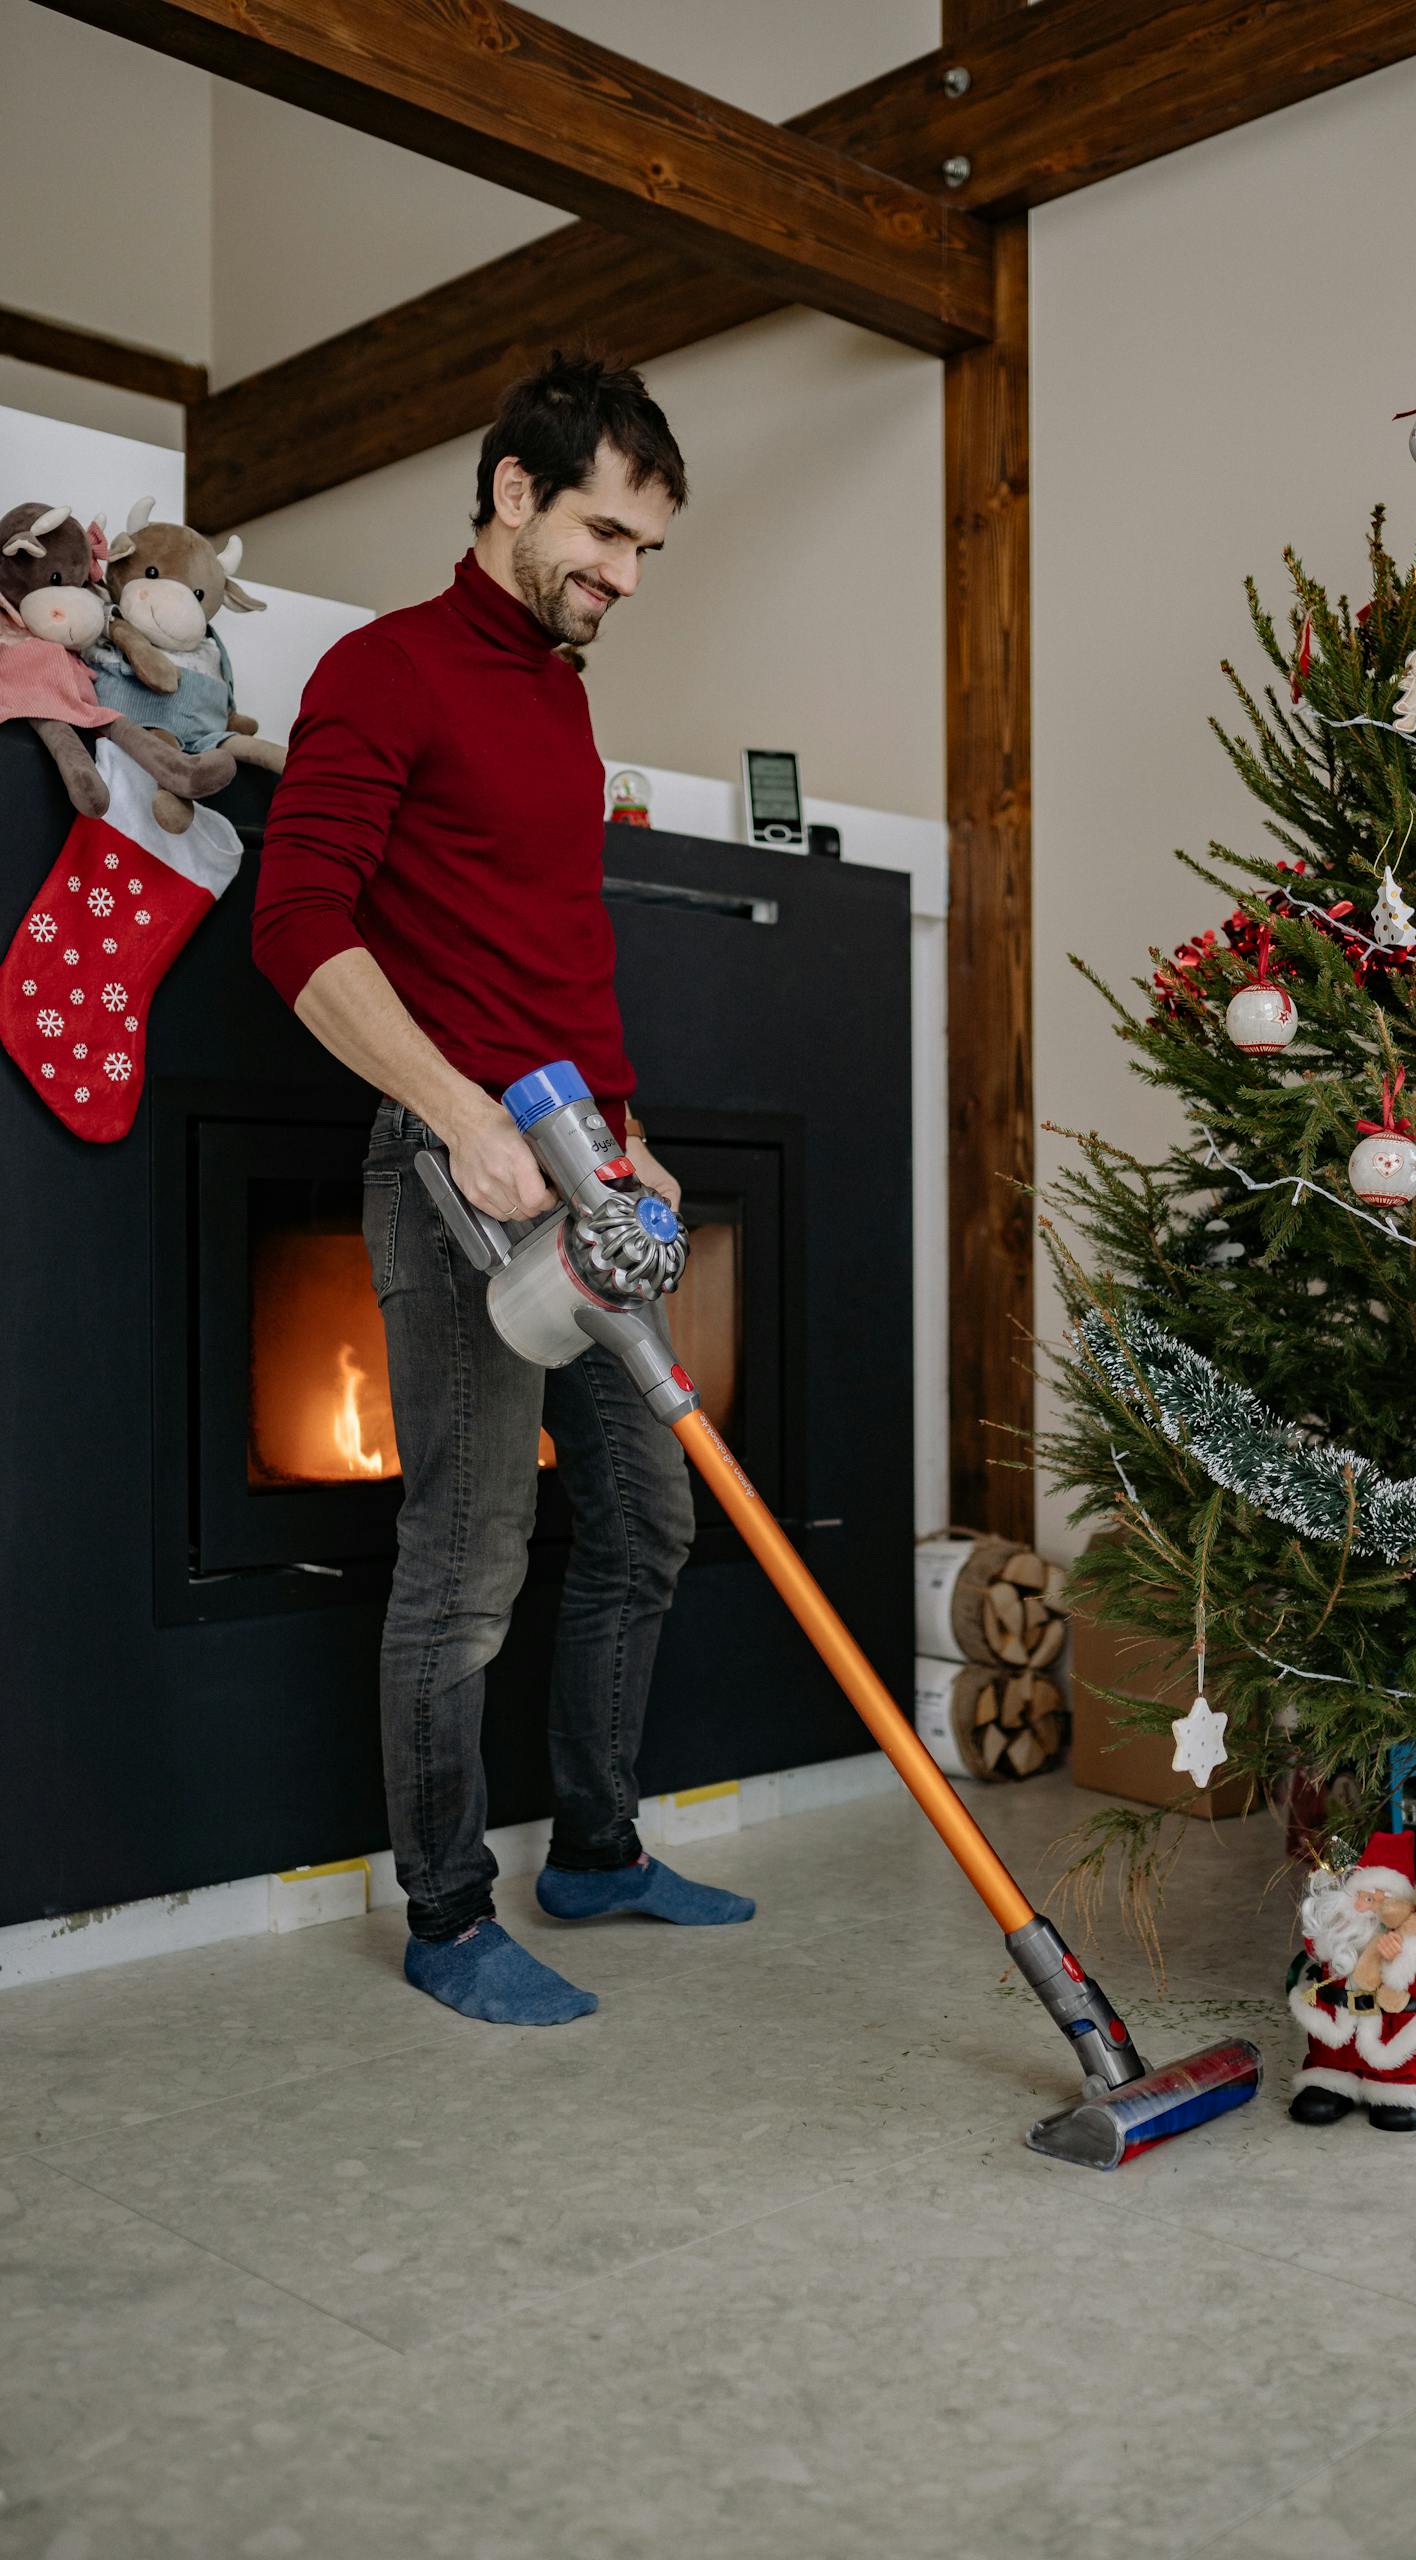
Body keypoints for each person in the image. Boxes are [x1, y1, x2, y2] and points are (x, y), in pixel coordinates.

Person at [253, 352, 754, 2027]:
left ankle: (596, 1850)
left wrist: (625, 1121)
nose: (621, 576)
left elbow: (553, 943)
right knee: (467, 1557)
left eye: (644, 554)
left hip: (582, 1161)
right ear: (515, 491)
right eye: (605, 533)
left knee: (646, 1512)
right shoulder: (381, 669)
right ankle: (448, 1913)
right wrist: (456, 1110)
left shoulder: (557, 690)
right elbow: (297, 928)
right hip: (448, 1173)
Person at [1286, 1833, 1416, 2130]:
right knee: (1329, 2054)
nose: (1371, 1909)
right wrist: (1329, 1930)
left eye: (1382, 1902)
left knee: (1396, 2059)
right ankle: (1330, 2084)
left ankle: (1391, 2091)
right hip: (1339, 2026)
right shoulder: (1339, 1936)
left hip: (1389, 2030)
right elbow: (1317, 1948)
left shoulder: (1414, 1941)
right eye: (1366, 1898)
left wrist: (1403, 1960)